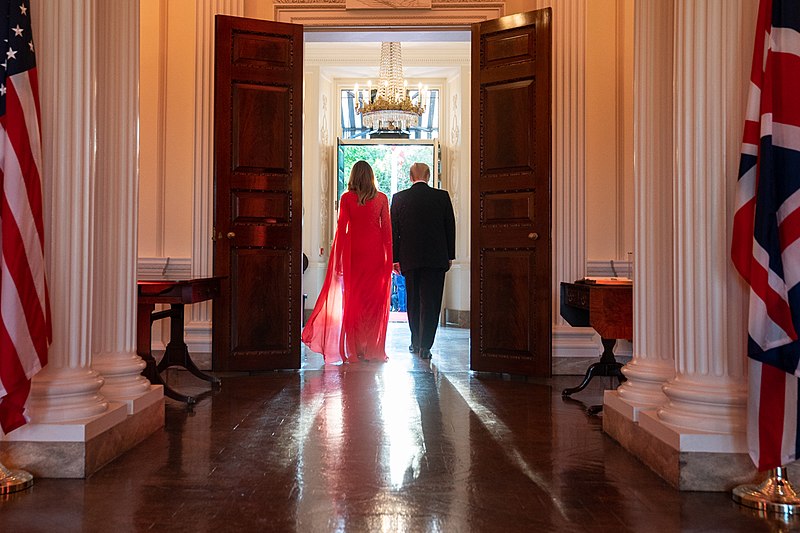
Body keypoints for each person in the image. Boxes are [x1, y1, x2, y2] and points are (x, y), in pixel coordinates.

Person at [302, 160, 393, 364]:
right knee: (373, 303)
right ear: (371, 176)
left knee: (354, 302)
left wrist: (339, 261)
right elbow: (387, 233)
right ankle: (371, 347)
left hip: (354, 256)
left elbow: (341, 231)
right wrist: (389, 261)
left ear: (353, 176)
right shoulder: (381, 199)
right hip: (375, 255)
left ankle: (355, 348)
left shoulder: (346, 199)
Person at [390, 162, 456, 360]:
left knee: (413, 301)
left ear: (410, 177)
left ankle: (415, 341)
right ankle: (426, 345)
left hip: (409, 259)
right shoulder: (441, 197)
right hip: (436, 258)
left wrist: (395, 259)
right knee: (431, 302)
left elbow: (395, 232)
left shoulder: (399, 198)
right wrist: (449, 255)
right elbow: (450, 227)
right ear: (428, 176)